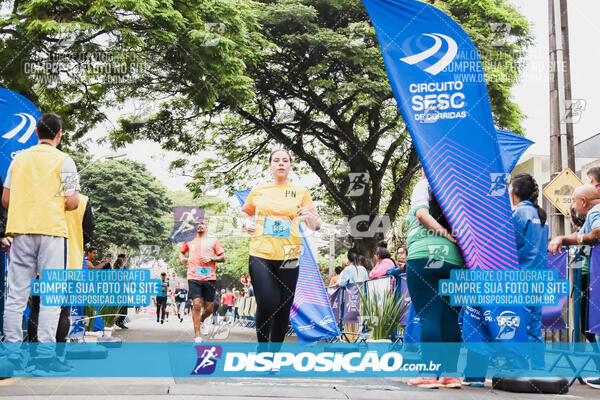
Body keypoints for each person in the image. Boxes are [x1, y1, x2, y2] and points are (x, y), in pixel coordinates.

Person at [2, 113, 80, 374]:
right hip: (52, 234)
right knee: (51, 296)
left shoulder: (19, 160)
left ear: (36, 132)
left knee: (16, 295)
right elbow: (72, 202)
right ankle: (44, 357)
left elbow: (5, 200)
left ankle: (12, 354)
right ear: (59, 135)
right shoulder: (65, 161)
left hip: (21, 232)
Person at [240, 149, 321, 345]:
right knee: (268, 301)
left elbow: (316, 225)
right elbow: (245, 213)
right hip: (261, 252)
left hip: (289, 255)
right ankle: (262, 345)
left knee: (284, 306)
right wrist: (245, 224)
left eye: (285, 160)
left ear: (291, 166)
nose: (281, 163)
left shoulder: (301, 193)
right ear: (270, 166)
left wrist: (307, 215)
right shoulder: (259, 191)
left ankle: (274, 354)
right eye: (276, 160)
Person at [405, 173, 463, 389]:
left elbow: (421, 214)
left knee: (429, 315)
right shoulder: (458, 190)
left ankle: (429, 373)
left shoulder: (425, 185)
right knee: (450, 318)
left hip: (425, 257)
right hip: (456, 261)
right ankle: (450, 374)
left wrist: (444, 234)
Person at [548, 184, 600, 389]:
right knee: (591, 325)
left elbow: (597, 232)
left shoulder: (596, 211)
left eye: (574, 201)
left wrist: (577, 238)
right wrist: (562, 238)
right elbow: (581, 237)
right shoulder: (591, 215)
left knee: (595, 324)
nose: (573, 206)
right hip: (592, 275)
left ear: (584, 201)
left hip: (594, 275)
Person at [510, 174, 548, 369]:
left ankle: (518, 367)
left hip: (521, 277)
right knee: (534, 325)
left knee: (517, 322)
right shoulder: (541, 216)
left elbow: (508, 245)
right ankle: (539, 368)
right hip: (539, 278)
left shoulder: (518, 213)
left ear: (515, 192)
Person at [179, 219, 225, 343]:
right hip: (193, 277)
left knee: (209, 309)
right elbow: (181, 252)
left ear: (206, 227)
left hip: (209, 277)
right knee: (197, 304)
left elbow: (222, 257)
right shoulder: (189, 240)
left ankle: (202, 320)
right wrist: (182, 258)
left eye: (202, 224)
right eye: (197, 224)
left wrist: (211, 258)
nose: (199, 226)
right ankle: (197, 336)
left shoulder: (213, 240)